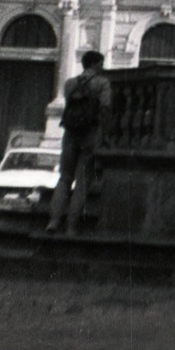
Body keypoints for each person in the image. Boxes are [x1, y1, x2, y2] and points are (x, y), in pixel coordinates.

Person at [46, 49, 111, 236]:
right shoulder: (102, 83)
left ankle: (53, 221)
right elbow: (105, 108)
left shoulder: (69, 84)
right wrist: (106, 135)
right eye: (100, 64)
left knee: (64, 178)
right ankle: (71, 227)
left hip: (70, 133)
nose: (102, 67)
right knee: (82, 182)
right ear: (95, 64)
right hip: (91, 134)